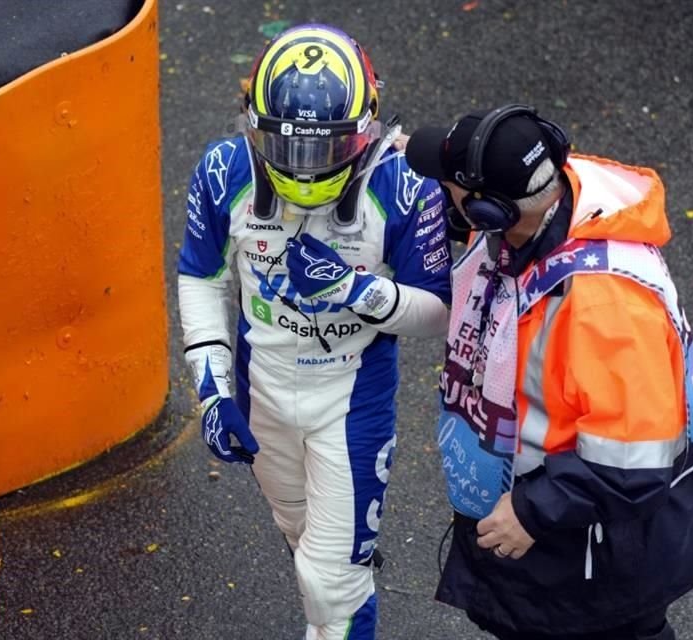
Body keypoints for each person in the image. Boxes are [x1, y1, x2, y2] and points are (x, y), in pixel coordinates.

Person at [403, 105, 693, 640]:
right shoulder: (554, 202)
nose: (443, 197)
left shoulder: (601, 309)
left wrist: (533, 512)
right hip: (575, 539)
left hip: (591, 556)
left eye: (451, 188)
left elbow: (631, 464)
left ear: (488, 211)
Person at [176, 24, 451, 640]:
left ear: (368, 127)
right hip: (262, 392)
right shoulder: (224, 170)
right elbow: (200, 277)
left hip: (350, 402)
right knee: (304, 547)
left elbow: (437, 311)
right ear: (254, 125)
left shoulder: (405, 182)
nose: (305, 169)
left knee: (332, 576)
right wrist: (213, 392)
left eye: (325, 149)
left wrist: (356, 292)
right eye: (287, 147)